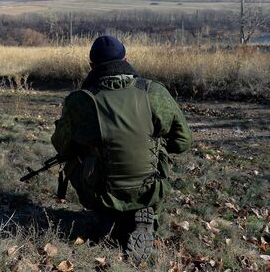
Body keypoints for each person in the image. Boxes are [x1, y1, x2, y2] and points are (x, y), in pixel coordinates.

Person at [51, 35, 192, 264]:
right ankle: (145, 215)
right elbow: (183, 141)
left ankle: (106, 216)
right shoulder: (153, 92)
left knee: (73, 159)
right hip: (150, 186)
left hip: (101, 190)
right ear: (126, 59)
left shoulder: (80, 100)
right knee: (156, 153)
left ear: (92, 66)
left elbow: (61, 145)